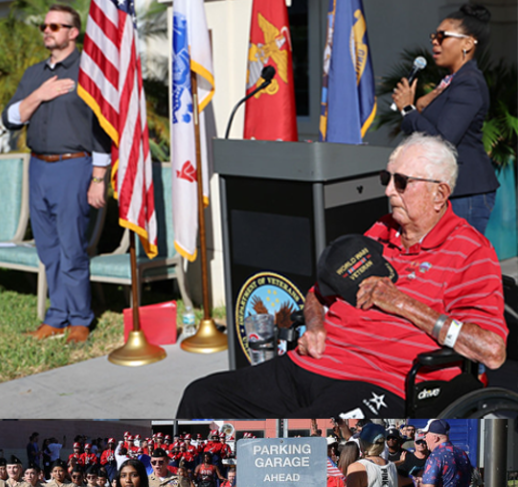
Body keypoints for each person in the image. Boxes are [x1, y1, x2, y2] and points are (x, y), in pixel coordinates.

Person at [177, 133, 507, 417]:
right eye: (386, 179)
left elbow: (492, 351)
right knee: (201, 397)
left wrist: (403, 304)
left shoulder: (470, 251)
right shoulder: (379, 231)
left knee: (300, 443)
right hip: (312, 364)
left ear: (439, 194)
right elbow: (317, 294)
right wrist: (316, 325)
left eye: (402, 182)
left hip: (381, 382)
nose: (389, 191)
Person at [1, 3, 111, 344]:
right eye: (45, 26)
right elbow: (11, 117)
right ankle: (57, 316)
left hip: (73, 166)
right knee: (47, 247)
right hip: (39, 166)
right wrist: (40, 94)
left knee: (72, 247)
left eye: (56, 26)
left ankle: (80, 318)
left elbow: (102, 127)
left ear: (73, 33)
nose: (48, 30)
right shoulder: (35, 74)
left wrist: (98, 177)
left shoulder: (88, 72)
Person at [393, 4, 498, 234]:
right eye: (434, 36)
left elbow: (442, 140)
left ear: (468, 43)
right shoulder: (451, 81)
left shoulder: (468, 82)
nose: (435, 42)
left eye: (442, 36)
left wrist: (408, 110)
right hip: (446, 188)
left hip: (466, 191)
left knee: (459, 264)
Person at [419, 421, 472, 487]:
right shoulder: (462, 454)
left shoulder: (436, 456)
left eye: (426, 435)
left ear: (435, 438)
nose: (424, 439)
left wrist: (420, 484)